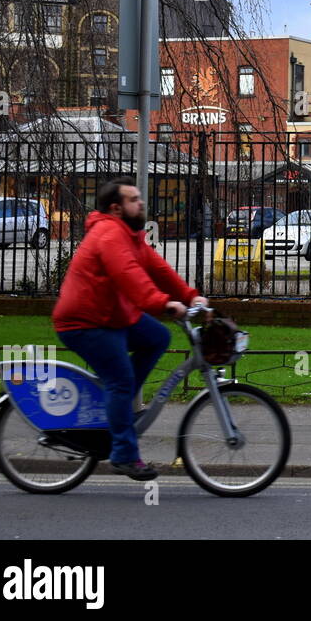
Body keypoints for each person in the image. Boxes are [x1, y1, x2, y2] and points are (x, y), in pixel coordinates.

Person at [52, 177, 209, 481]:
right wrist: (163, 304)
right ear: (116, 208)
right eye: (134, 199)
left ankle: (117, 410)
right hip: (84, 322)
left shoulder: (129, 235)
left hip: (112, 317)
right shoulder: (109, 234)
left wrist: (190, 296)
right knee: (121, 380)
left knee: (158, 337)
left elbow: (157, 268)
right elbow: (129, 276)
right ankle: (123, 455)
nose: (141, 203)